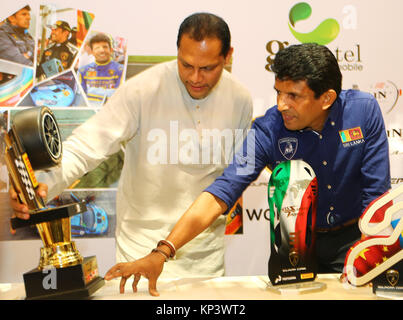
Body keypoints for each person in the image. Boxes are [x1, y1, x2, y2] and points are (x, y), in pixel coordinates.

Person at [103, 43, 390, 296]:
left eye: (293, 96)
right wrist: (162, 251)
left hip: (358, 239)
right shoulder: (268, 130)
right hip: (295, 247)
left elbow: (376, 195)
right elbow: (223, 191)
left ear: (326, 98)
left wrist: (368, 252)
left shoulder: (363, 112)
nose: (281, 105)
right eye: (278, 92)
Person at [10, 13, 253, 278]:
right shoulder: (141, 91)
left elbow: (234, 179)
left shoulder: (239, 98)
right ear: (178, 51)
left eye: (207, 68)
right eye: (186, 65)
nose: (195, 77)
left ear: (227, 56)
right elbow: (86, 146)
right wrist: (42, 184)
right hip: (139, 254)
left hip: (205, 260)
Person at [78, 33, 124, 106]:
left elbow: (120, 96)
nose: (102, 50)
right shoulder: (83, 71)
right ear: (92, 52)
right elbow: (80, 97)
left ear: (111, 50)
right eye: (97, 48)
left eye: (105, 47)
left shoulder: (121, 70)